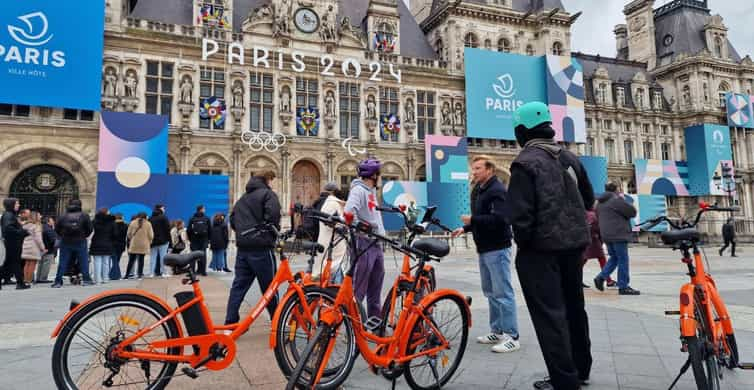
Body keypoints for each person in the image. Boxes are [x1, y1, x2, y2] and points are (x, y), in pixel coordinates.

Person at [503, 101, 595, 390]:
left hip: (540, 251)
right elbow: (588, 200)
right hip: (573, 247)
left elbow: (520, 215)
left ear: (521, 130)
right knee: (574, 308)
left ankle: (564, 380)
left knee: (549, 315)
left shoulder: (524, 162)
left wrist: (525, 243)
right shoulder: (570, 158)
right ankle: (581, 369)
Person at [452, 155, 519, 353]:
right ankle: (497, 330)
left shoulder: (497, 190)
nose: (474, 171)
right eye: (474, 168)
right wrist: (465, 229)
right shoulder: (480, 189)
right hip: (484, 247)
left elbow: (501, 220)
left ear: (489, 169)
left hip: (498, 248)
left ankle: (512, 336)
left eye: (478, 168)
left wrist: (472, 220)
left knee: (503, 293)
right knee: (490, 292)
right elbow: (483, 219)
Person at [225, 172, 282, 325]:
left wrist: (243, 234)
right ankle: (276, 319)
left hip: (243, 248)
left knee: (238, 286)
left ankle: (230, 322)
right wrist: (271, 232)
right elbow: (274, 214)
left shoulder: (242, 199)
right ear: (267, 180)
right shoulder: (268, 194)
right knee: (269, 287)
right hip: (262, 247)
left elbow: (232, 219)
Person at [344, 159, 386, 320]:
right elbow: (348, 213)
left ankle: (374, 321)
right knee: (359, 288)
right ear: (374, 175)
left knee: (376, 285)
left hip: (376, 243)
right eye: (379, 175)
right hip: (364, 243)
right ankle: (352, 325)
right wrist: (363, 227)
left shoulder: (371, 191)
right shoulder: (358, 191)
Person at [593, 182, 640, 296]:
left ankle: (601, 277)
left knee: (614, 258)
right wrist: (624, 200)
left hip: (606, 235)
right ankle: (623, 287)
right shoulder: (616, 200)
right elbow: (632, 212)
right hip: (618, 234)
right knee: (623, 259)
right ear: (616, 189)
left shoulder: (599, 203)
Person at [53, 199, 94, 288]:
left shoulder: (63, 216)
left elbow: (57, 229)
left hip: (66, 241)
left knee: (63, 262)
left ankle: (58, 281)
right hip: (80, 240)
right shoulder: (84, 215)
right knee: (83, 261)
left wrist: (63, 236)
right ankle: (86, 279)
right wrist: (84, 235)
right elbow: (90, 229)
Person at [314, 182, 347, 282]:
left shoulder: (330, 203)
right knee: (333, 270)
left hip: (328, 241)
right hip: (333, 243)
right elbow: (333, 223)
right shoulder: (333, 204)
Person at [581, 207, 614, 288]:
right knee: (602, 259)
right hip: (593, 240)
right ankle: (608, 280)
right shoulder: (592, 214)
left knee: (583, 260)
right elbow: (596, 228)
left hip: (586, 240)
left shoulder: (583, 212)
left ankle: (576, 279)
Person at [1, 198, 30, 289]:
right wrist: (21, 232)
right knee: (16, 263)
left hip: (12, 242)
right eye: (16, 204)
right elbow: (8, 228)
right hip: (13, 243)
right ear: (11, 205)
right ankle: (20, 283)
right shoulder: (9, 215)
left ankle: (20, 283)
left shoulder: (9, 215)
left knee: (9, 263)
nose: (18, 205)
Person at [89, 208, 117, 284]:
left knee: (97, 262)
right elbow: (115, 234)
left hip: (96, 243)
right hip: (108, 243)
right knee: (106, 262)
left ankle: (97, 279)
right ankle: (105, 278)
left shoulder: (94, 221)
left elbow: (89, 231)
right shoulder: (111, 222)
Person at [125, 212, 154, 279]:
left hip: (134, 244)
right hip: (144, 244)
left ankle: (127, 275)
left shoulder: (132, 223)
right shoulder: (148, 224)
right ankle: (139, 275)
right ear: (145, 217)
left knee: (131, 260)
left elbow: (128, 234)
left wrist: (131, 239)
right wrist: (149, 241)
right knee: (141, 260)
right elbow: (151, 235)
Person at [21, 210, 45, 285]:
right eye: (39, 216)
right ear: (36, 217)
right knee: (32, 264)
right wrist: (42, 248)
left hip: (25, 246)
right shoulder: (36, 226)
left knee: (26, 264)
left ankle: (25, 279)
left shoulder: (24, 225)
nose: (40, 217)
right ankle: (29, 280)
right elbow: (38, 239)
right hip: (33, 247)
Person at [187, 205, 211, 276]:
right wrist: (208, 239)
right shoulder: (207, 218)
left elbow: (188, 230)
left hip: (194, 240)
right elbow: (210, 230)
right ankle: (202, 271)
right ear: (202, 209)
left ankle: (193, 271)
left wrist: (191, 239)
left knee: (193, 256)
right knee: (203, 255)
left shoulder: (192, 218)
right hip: (204, 239)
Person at [149, 204, 171, 277]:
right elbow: (168, 229)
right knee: (163, 257)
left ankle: (151, 273)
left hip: (153, 241)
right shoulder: (164, 217)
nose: (164, 209)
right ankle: (164, 272)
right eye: (163, 208)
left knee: (152, 257)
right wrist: (169, 240)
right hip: (163, 240)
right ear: (160, 209)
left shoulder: (150, 218)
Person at [37, 216, 57, 283]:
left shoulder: (41, 227)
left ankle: (38, 277)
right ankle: (43, 278)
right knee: (46, 264)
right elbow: (53, 239)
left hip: (42, 248)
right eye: (52, 220)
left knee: (40, 264)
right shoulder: (49, 229)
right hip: (48, 249)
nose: (53, 221)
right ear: (48, 221)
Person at [110, 213, 128, 280]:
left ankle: (115, 275)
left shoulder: (112, 225)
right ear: (122, 217)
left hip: (113, 244)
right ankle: (114, 274)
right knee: (117, 260)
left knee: (115, 260)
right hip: (121, 244)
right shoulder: (125, 226)